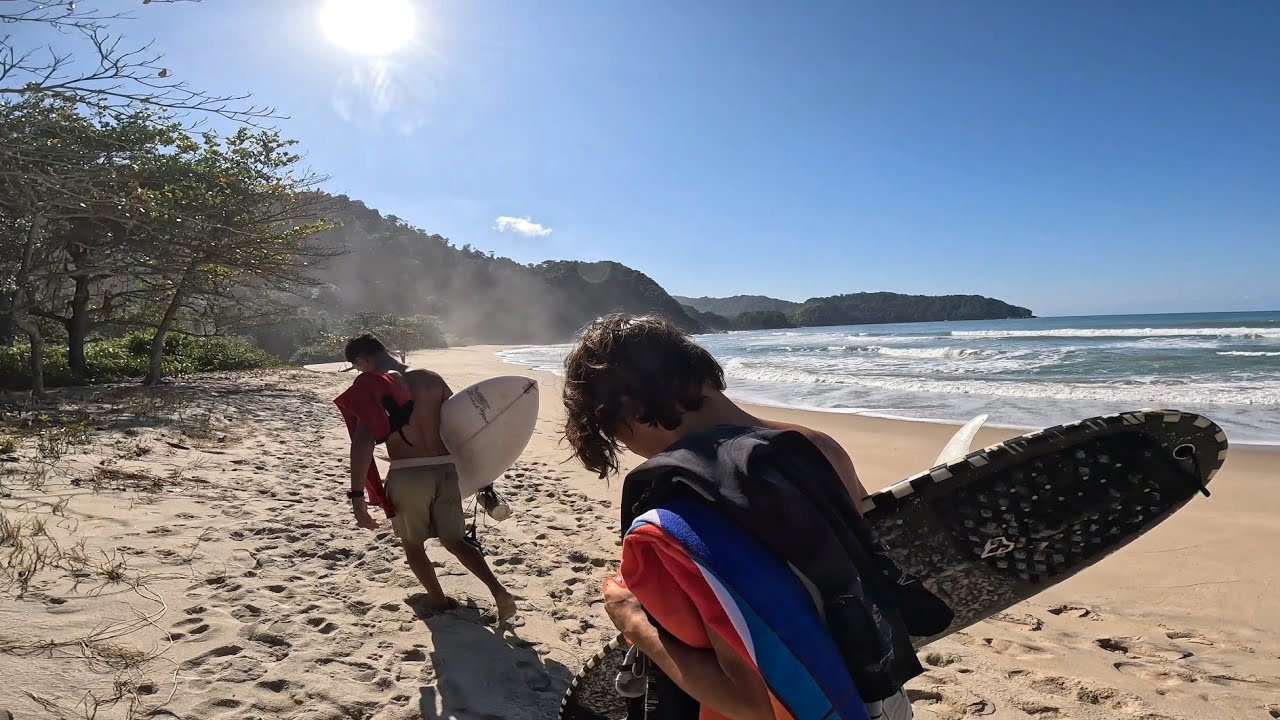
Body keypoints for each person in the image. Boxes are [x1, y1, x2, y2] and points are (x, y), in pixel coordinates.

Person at [561, 314, 953, 719]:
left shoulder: (691, 500)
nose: (627, 446)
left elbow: (755, 702)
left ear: (630, 407)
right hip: (876, 692)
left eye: (614, 431)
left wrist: (633, 622)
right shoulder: (814, 446)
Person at [336, 333, 517, 624]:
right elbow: (462, 426)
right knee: (454, 540)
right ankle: (499, 592)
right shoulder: (432, 379)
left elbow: (363, 441)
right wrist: (484, 472)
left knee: (413, 543)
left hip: (407, 473)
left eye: (358, 367)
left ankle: (439, 602)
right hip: (445, 469)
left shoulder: (373, 384)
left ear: (362, 360)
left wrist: (358, 495)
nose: (360, 372)